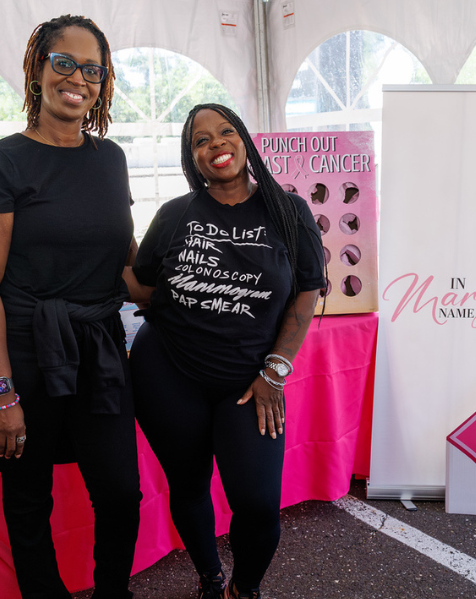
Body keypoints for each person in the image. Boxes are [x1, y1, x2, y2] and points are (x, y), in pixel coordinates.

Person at [0, 15, 141, 599]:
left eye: (93, 69)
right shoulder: (1, 161)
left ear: (103, 83)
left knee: (120, 491)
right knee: (29, 496)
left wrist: (210, 285)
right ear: (37, 71)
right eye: (63, 63)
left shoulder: (110, 159)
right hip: (22, 350)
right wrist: (0, 392)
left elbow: (124, 261)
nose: (78, 79)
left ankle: (113, 591)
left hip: (99, 344)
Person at [125, 103, 326, 599]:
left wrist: (275, 370)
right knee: (189, 484)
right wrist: (105, 234)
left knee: (257, 503)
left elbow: (306, 289)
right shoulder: (175, 215)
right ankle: (211, 577)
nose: (215, 144)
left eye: (225, 132)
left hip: (249, 381)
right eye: (200, 140)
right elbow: (142, 284)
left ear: (243, 141)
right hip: (167, 372)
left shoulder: (286, 210)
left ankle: (245, 587)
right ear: (191, 158)